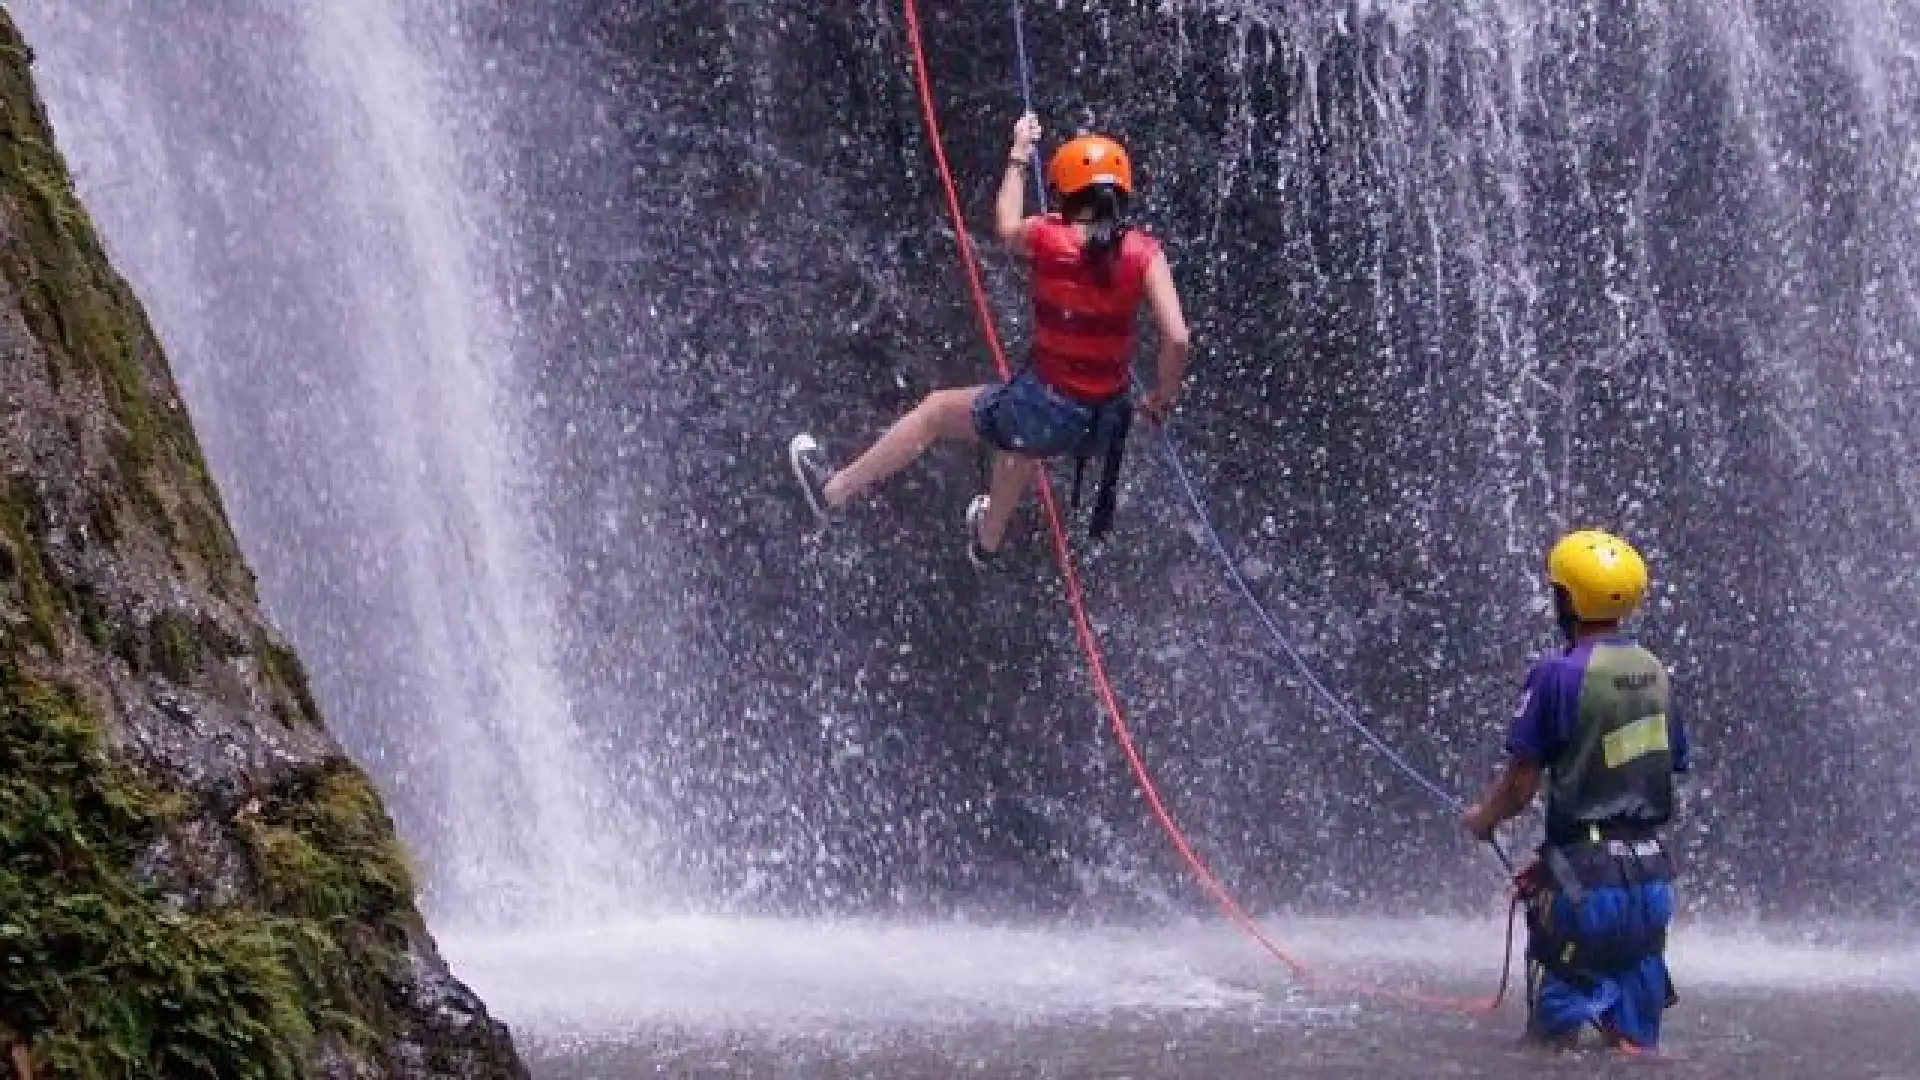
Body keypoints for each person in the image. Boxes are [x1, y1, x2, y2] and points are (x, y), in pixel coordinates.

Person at [788, 112, 1191, 566]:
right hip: (1102, 425)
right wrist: (1162, 398)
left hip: (1048, 409)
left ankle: (832, 492)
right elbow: (1176, 337)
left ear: (1066, 194)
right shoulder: (1144, 252)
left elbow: (1004, 224)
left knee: (939, 413)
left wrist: (1018, 156)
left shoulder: (1048, 238)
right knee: (1019, 434)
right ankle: (988, 541)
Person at [1462, 529, 1691, 1055]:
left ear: (1567, 600)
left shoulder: (1557, 674)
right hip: (1652, 881)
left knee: (1552, 1048)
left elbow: (1520, 787)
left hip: (1585, 890)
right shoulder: (1656, 673)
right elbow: (1648, 774)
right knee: (1633, 1048)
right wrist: (1549, 863)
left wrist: (1483, 821)